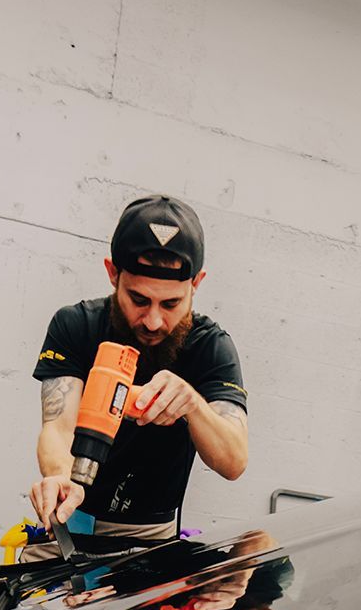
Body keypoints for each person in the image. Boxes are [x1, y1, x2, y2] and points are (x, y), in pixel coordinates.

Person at [30, 195, 249, 542]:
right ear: (112, 273)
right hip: (71, 519)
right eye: (138, 299)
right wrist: (59, 477)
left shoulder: (211, 347)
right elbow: (58, 427)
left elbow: (234, 461)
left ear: (196, 284)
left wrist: (193, 405)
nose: (154, 320)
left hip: (151, 536)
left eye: (172, 303)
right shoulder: (75, 325)